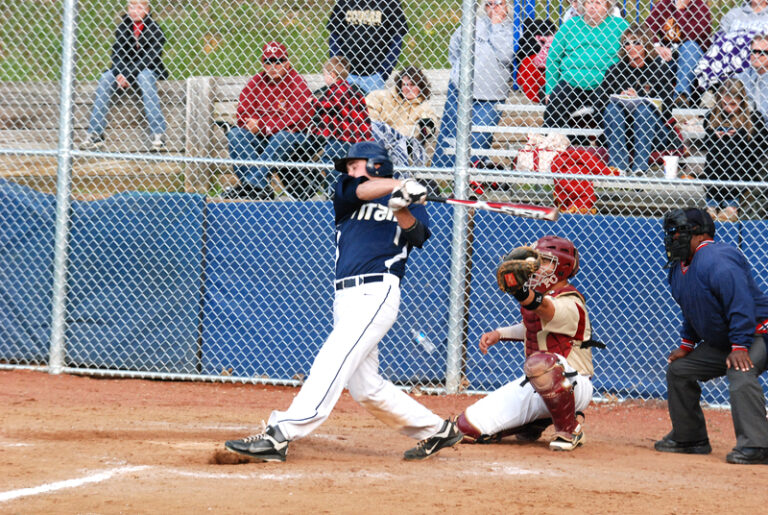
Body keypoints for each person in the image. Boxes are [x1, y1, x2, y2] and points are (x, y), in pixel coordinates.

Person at [223, 142, 463, 462]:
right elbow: (362, 192)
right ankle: (436, 430)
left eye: (355, 165)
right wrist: (401, 185)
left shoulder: (411, 201)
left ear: (377, 164)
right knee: (367, 388)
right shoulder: (349, 191)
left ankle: (281, 433)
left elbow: (417, 236)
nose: (349, 171)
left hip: (377, 291)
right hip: (345, 296)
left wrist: (402, 205)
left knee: (332, 357)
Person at [454, 236, 598, 452]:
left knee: (540, 363)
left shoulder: (571, 302)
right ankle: (535, 420)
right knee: (467, 428)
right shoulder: (543, 297)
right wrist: (499, 334)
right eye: (537, 260)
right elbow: (534, 326)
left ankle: (570, 429)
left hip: (575, 385)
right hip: (539, 382)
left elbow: (548, 310)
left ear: (562, 268)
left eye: (546, 261)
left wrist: (521, 292)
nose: (537, 266)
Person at [655, 207, 768, 465]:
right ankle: (690, 438)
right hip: (729, 340)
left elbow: (741, 303)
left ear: (700, 234)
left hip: (758, 332)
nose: (672, 238)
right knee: (680, 370)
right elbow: (693, 308)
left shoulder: (717, 258)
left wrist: (739, 345)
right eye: (670, 233)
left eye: (679, 232)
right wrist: (687, 343)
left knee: (740, 371)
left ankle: (758, 446)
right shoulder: (678, 268)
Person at [431, 0, 518, 169]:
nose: (493, 8)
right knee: (448, 138)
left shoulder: (514, 29)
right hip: (459, 90)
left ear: (508, 6)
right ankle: (436, 186)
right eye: (489, 4)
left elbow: (506, 55)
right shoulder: (475, 22)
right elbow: (454, 46)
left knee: (478, 145)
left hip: (490, 97)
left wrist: (497, 26)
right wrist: (458, 71)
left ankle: (468, 188)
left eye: (499, 4)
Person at [223, 41, 313, 200]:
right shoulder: (255, 82)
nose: (273, 66)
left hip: (293, 139)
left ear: (287, 62)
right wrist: (266, 124)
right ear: (262, 63)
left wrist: (263, 125)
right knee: (236, 134)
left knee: (282, 136)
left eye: (278, 61)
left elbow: (296, 119)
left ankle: (249, 184)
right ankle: (259, 188)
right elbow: (243, 116)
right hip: (263, 139)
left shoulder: (297, 82)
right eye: (268, 61)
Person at [81, 0, 168, 152]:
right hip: (124, 69)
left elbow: (150, 58)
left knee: (144, 77)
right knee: (106, 78)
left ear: (147, 10)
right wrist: (120, 73)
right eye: (131, 7)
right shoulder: (123, 27)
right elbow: (117, 54)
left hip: (148, 69)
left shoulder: (155, 29)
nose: (135, 10)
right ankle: (95, 133)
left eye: (139, 7)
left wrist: (128, 74)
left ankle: (158, 133)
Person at [599, 24, 677, 176]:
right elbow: (599, 105)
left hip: (652, 131)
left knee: (643, 109)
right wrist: (619, 97)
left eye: (636, 42)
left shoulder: (659, 70)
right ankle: (618, 168)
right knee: (612, 109)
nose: (631, 47)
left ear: (646, 45)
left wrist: (641, 97)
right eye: (627, 43)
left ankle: (639, 168)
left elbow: (667, 109)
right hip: (620, 130)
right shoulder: (615, 70)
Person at [543, 0, 628, 128]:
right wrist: (550, 89)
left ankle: (603, 144)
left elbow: (631, 52)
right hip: (571, 80)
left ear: (608, 6)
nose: (593, 7)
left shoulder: (620, 26)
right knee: (554, 108)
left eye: (598, 3)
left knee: (609, 113)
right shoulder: (571, 25)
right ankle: (553, 143)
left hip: (604, 83)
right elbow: (553, 57)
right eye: (589, 2)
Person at [702, 78, 768, 221]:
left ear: (741, 101)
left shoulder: (754, 118)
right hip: (717, 166)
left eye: (733, 104)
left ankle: (731, 205)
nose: (729, 108)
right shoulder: (711, 116)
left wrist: (738, 136)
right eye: (725, 104)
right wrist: (715, 136)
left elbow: (758, 149)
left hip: (744, 165)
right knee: (719, 148)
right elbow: (705, 145)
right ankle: (712, 204)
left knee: (731, 147)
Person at [311, 56, 373, 195]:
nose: (324, 78)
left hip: (344, 136)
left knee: (331, 160)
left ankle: (334, 191)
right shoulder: (352, 90)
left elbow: (329, 104)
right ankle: (347, 190)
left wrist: (313, 101)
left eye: (325, 75)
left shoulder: (338, 89)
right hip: (357, 137)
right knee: (346, 164)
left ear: (332, 75)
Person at [327, 0, 408, 94]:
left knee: (371, 107)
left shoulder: (391, 2)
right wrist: (338, 68)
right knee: (345, 107)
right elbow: (334, 36)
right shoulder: (345, 2)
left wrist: (384, 71)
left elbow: (397, 40)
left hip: (374, 74)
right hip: (346, 73)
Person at [645, 0, 712, 108]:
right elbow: (648, 28)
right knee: (654, 55)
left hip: (691, 57)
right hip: (668, 54)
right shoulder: (664, 4)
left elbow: (693, 34)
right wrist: (657, 46)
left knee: (689, 46)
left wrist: (680, 10)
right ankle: (657, 101)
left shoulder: (700, 6)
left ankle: (681, 96)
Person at [366, 66, 437, 166]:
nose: (408, 88)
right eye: (405, 84)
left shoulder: (424, 108)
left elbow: (428, 130)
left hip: (403, 146)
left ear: (421, 86)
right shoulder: (381, 96)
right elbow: (369, 117)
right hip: (376, 139)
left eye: (412, 85)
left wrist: (401, 132)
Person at [695, 0, 768, 93]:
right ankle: (713, 87)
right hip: (729, 56)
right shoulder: (734, 13)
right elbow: (720, 37)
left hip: (757, 55)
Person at [735, 33, 768, 123]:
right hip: (745, 127)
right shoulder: (742, 77)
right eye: (754, 52)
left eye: (762, 53)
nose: (756, 56)